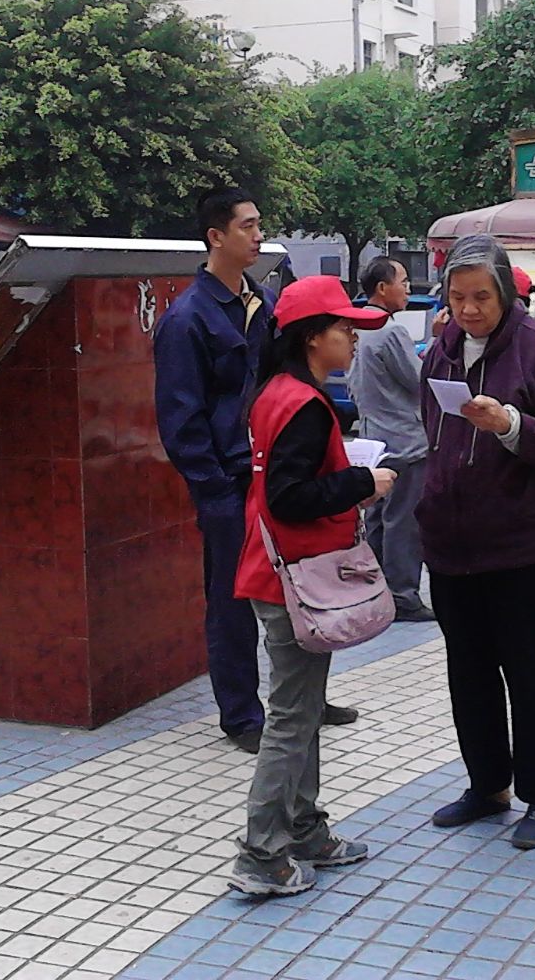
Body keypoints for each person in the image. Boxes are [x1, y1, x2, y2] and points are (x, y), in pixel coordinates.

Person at [154, 188, 358, 756]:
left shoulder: (265, 304)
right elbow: (180, 420)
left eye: (258, 224)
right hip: (229, 482)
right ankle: (241, 714)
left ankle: (306, 697)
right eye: (246, 226)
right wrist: (215, 491)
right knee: (231, 600)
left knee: (301, 583)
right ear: (215, 236)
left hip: (277, 474)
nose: (258, 235)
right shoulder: (186, 320)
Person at [418, 234, 535, 851]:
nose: (468, 310)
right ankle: (487, 785)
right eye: (457, 297)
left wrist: (511, 425)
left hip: (523, 546)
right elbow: (433, 434)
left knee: (532, 674)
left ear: (506, 294)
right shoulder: (441, 350)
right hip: (452, 544)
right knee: (469, 674)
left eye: (481, 297)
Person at [228, 277, 395, 897]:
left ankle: (305, 830)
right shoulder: (304, 403)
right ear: (311, 337)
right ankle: (262, 854)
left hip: (274, 571)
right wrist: (362, 482)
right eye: (344, 329)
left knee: (301, 711)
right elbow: (289, 497)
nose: (352, 339)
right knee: (292, 717)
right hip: (294, 578)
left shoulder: (275, 393)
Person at [350, 256, 434, 621]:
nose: (408, 289)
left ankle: (374, 590)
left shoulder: (357, 328)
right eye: (403, 281)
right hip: (404, 441)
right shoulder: (390, 330)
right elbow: (419, 381)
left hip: (374, 439)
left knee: (378, 518)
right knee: (404, 521)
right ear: (382, 288)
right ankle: (403, 595)